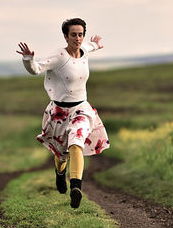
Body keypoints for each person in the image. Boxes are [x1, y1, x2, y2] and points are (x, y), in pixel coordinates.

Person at [17, 18, 110, 208]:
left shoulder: (84, 50)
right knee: (61, 154)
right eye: (73, 35)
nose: (77, 38)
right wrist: (28, 59)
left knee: (76, 143)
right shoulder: (59, 56)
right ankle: (60, 173)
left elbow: (90, 46)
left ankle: (76, 187)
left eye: (80, 34)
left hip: (81, 110)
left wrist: (96, 44)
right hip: (59, 113)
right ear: (66, 36)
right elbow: (36, 69)